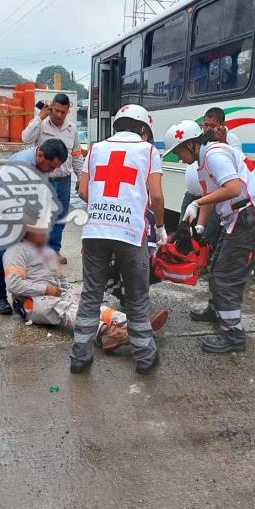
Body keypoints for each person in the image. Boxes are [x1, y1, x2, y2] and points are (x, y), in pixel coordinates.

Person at [163, 119, 255, 354]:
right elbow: (212, 194)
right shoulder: (204, 160)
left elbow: (233, 188)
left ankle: (232, 334)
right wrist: (200, 228)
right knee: (217, 265)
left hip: (251, 218)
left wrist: (196, 203)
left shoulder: (215, 155)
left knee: (227, 276)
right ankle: (215, 310)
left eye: (178, 152)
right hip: (238, 219)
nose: (179, 158)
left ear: (191, 144)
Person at [70, 104, 168, 375]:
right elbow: (157, 196)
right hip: (130, 235)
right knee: (137, 297)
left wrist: (104, 206)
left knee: (91, 295)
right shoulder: (148, 150)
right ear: (141, 129)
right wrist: (159, 227)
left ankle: (79, 357)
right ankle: (145, 358)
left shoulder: (97, 149)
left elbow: (82, 189)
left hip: (95, 232)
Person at [3, 229, 169, 351]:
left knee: (92, 306)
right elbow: (14, 284)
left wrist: (70, 294)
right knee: (70, 310)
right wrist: (46, 290)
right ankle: (108, 334)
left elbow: (62, 280)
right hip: (31, 302)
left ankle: (135, 325)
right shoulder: (16, 251)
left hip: (55, 295)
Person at [0, 139, 69, 315]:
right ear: (40, 155)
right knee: (1, 255)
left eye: (55, 168)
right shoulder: (21, 166)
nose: (52, 171)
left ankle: (22, 294)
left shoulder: (41, 165)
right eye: (51, 166)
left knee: (25, 252)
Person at [22, 93, 83, 264]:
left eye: (63, 112)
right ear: (51, 108)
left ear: (68, 111)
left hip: (63, 180)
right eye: (56, 111)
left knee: (60, 218)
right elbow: (25, 139)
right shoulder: (41, 125)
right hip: (43, 178)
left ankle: (53, 251)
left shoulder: (72, 129)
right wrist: (39, 117)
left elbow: (76, 155)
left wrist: (80, 177)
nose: (59, 115)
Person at [181, 107, 243, 240]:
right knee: (185, 232)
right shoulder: (201, 142)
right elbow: (208, 185)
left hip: (216, 199)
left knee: (208, 239)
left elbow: (235, 168)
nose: (208, 129)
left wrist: (223, 142)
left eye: (213, 126)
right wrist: (200, 225)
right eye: (206, 125)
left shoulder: (226, 143)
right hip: (196, 195)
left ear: (222, 125)